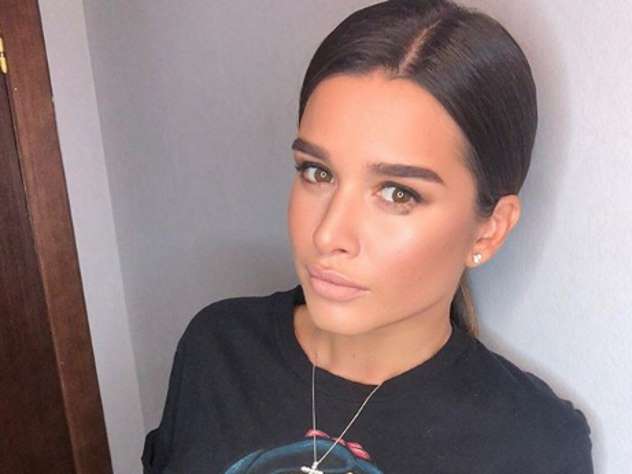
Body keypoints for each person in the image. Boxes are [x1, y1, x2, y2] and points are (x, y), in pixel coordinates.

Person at [142, 0, 594, 472]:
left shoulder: (534, 445)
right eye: (317, 172)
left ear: (489, 230)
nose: (328, 234)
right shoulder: (218, 351)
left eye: (398, 193)